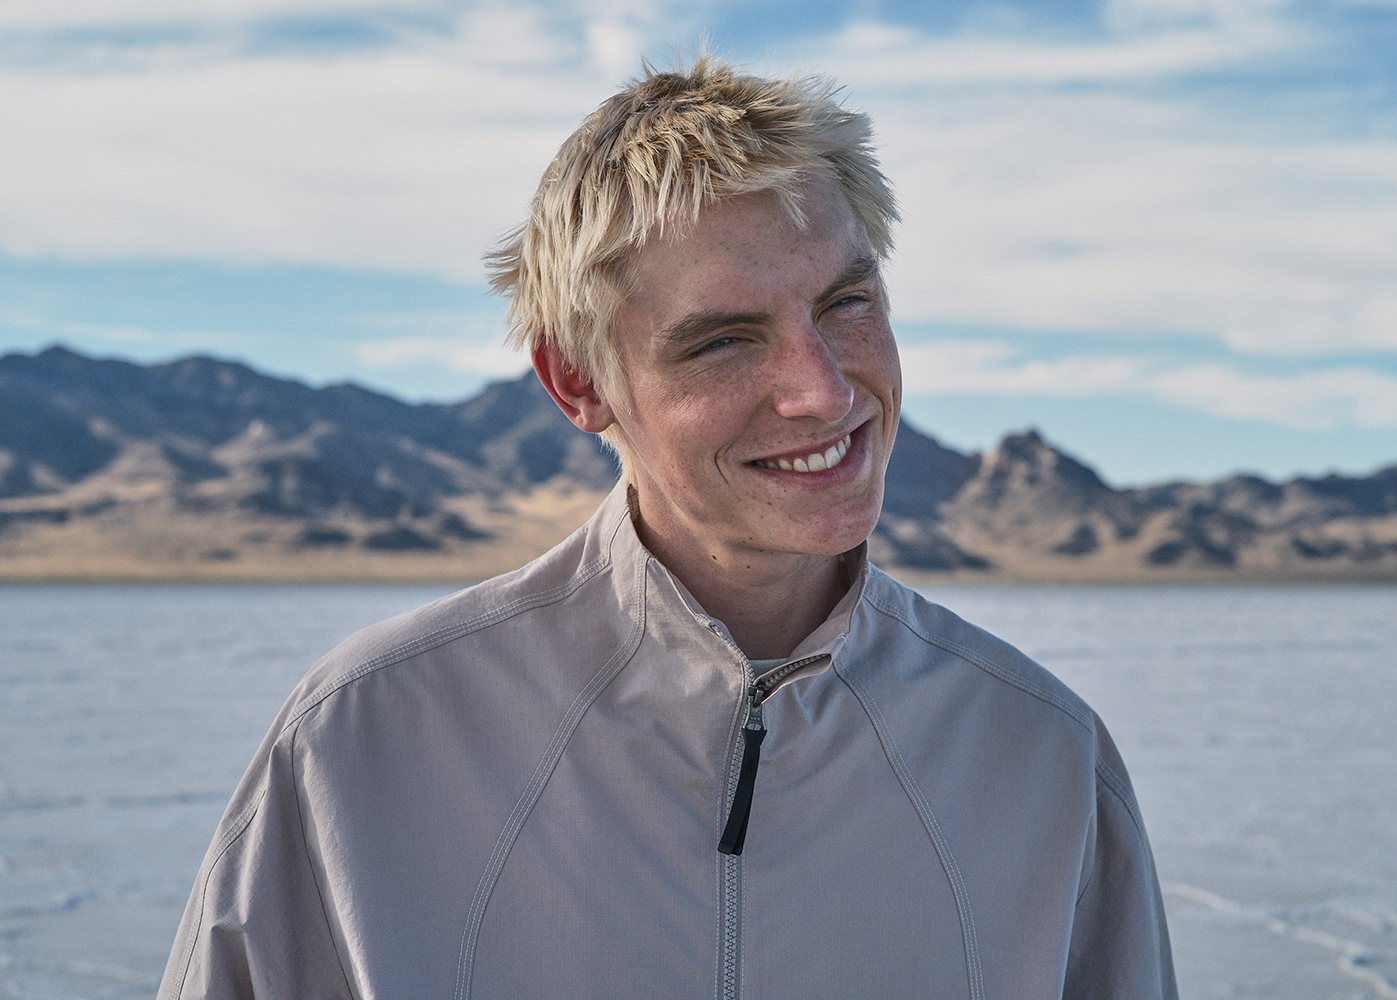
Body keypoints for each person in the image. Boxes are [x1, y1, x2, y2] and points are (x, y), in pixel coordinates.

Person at [159, 57, 1176, 999]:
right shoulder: (361, 743)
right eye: (724, 341)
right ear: (579, 381)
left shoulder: (1044, 758)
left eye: (847, 302)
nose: (824, 392)